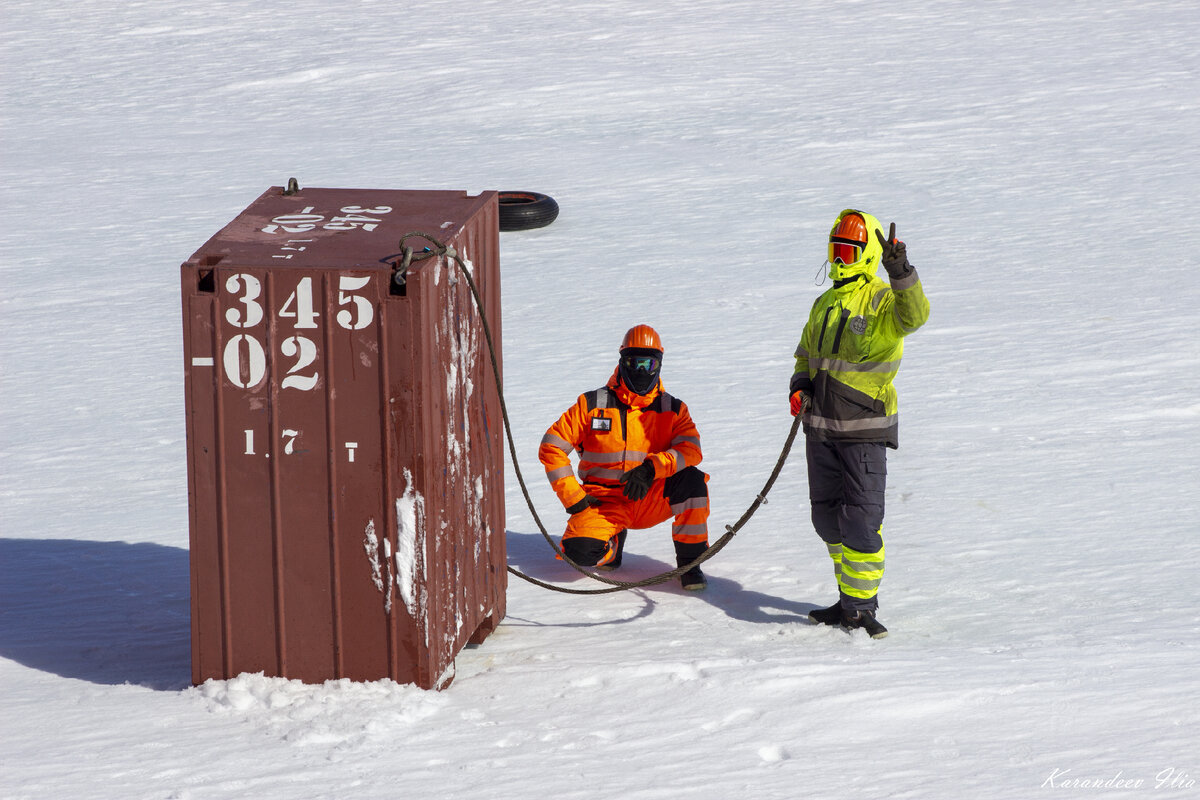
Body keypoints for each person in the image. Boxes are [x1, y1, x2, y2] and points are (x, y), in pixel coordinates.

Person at [789, 209, 930, 638]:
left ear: (866, 254)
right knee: (826, 520)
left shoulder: (883, 300)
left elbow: (916, 316)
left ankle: (862, 608)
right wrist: (799, 386)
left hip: (864, 431)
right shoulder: (825, 303)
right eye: (836, 250)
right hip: (822, 430)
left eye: (849, 251)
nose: (840, 259)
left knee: (861, 520)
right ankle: (846, 600)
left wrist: (899, 270)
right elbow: (804, 354)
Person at [539, 324, 711, 591]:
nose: (641, 371)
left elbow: (691, 449)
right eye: (634, 362)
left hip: (650, 497)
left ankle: (690, 564)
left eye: (648, 363)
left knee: (693, 482)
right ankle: (611, 544)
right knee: (579, 553)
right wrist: (575, 500)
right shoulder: (591, 405)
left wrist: (651, 469)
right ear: (622, 361)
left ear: (659, 364)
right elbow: (551, 447)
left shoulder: (673, 409)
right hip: (603, 503)